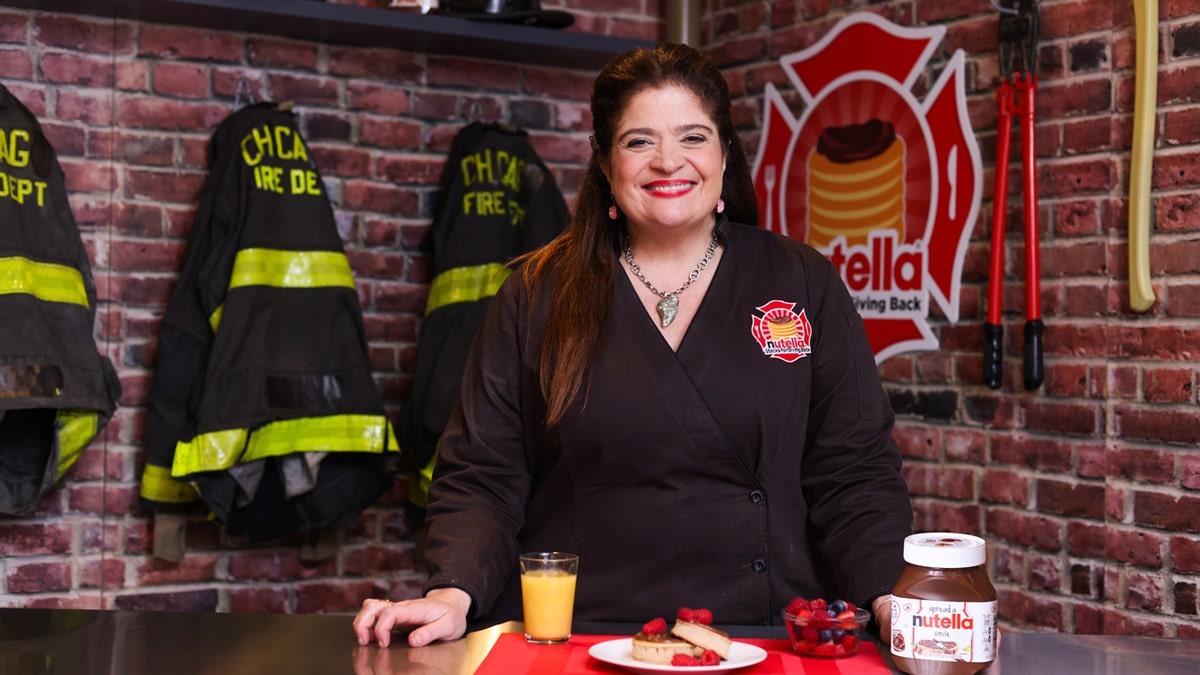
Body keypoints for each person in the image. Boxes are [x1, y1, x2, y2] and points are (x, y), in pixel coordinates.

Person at [353, 42, 913, 649]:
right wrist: (451, 594)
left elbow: (855, 471)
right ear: (604, 163)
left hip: (761, 640)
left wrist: (889, 600)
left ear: (726, 152)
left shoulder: (801, 281)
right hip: (576, 640)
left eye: (693, 138)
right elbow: (483, 475)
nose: (669, 162)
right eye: (639, 141)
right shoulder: (536, 292)